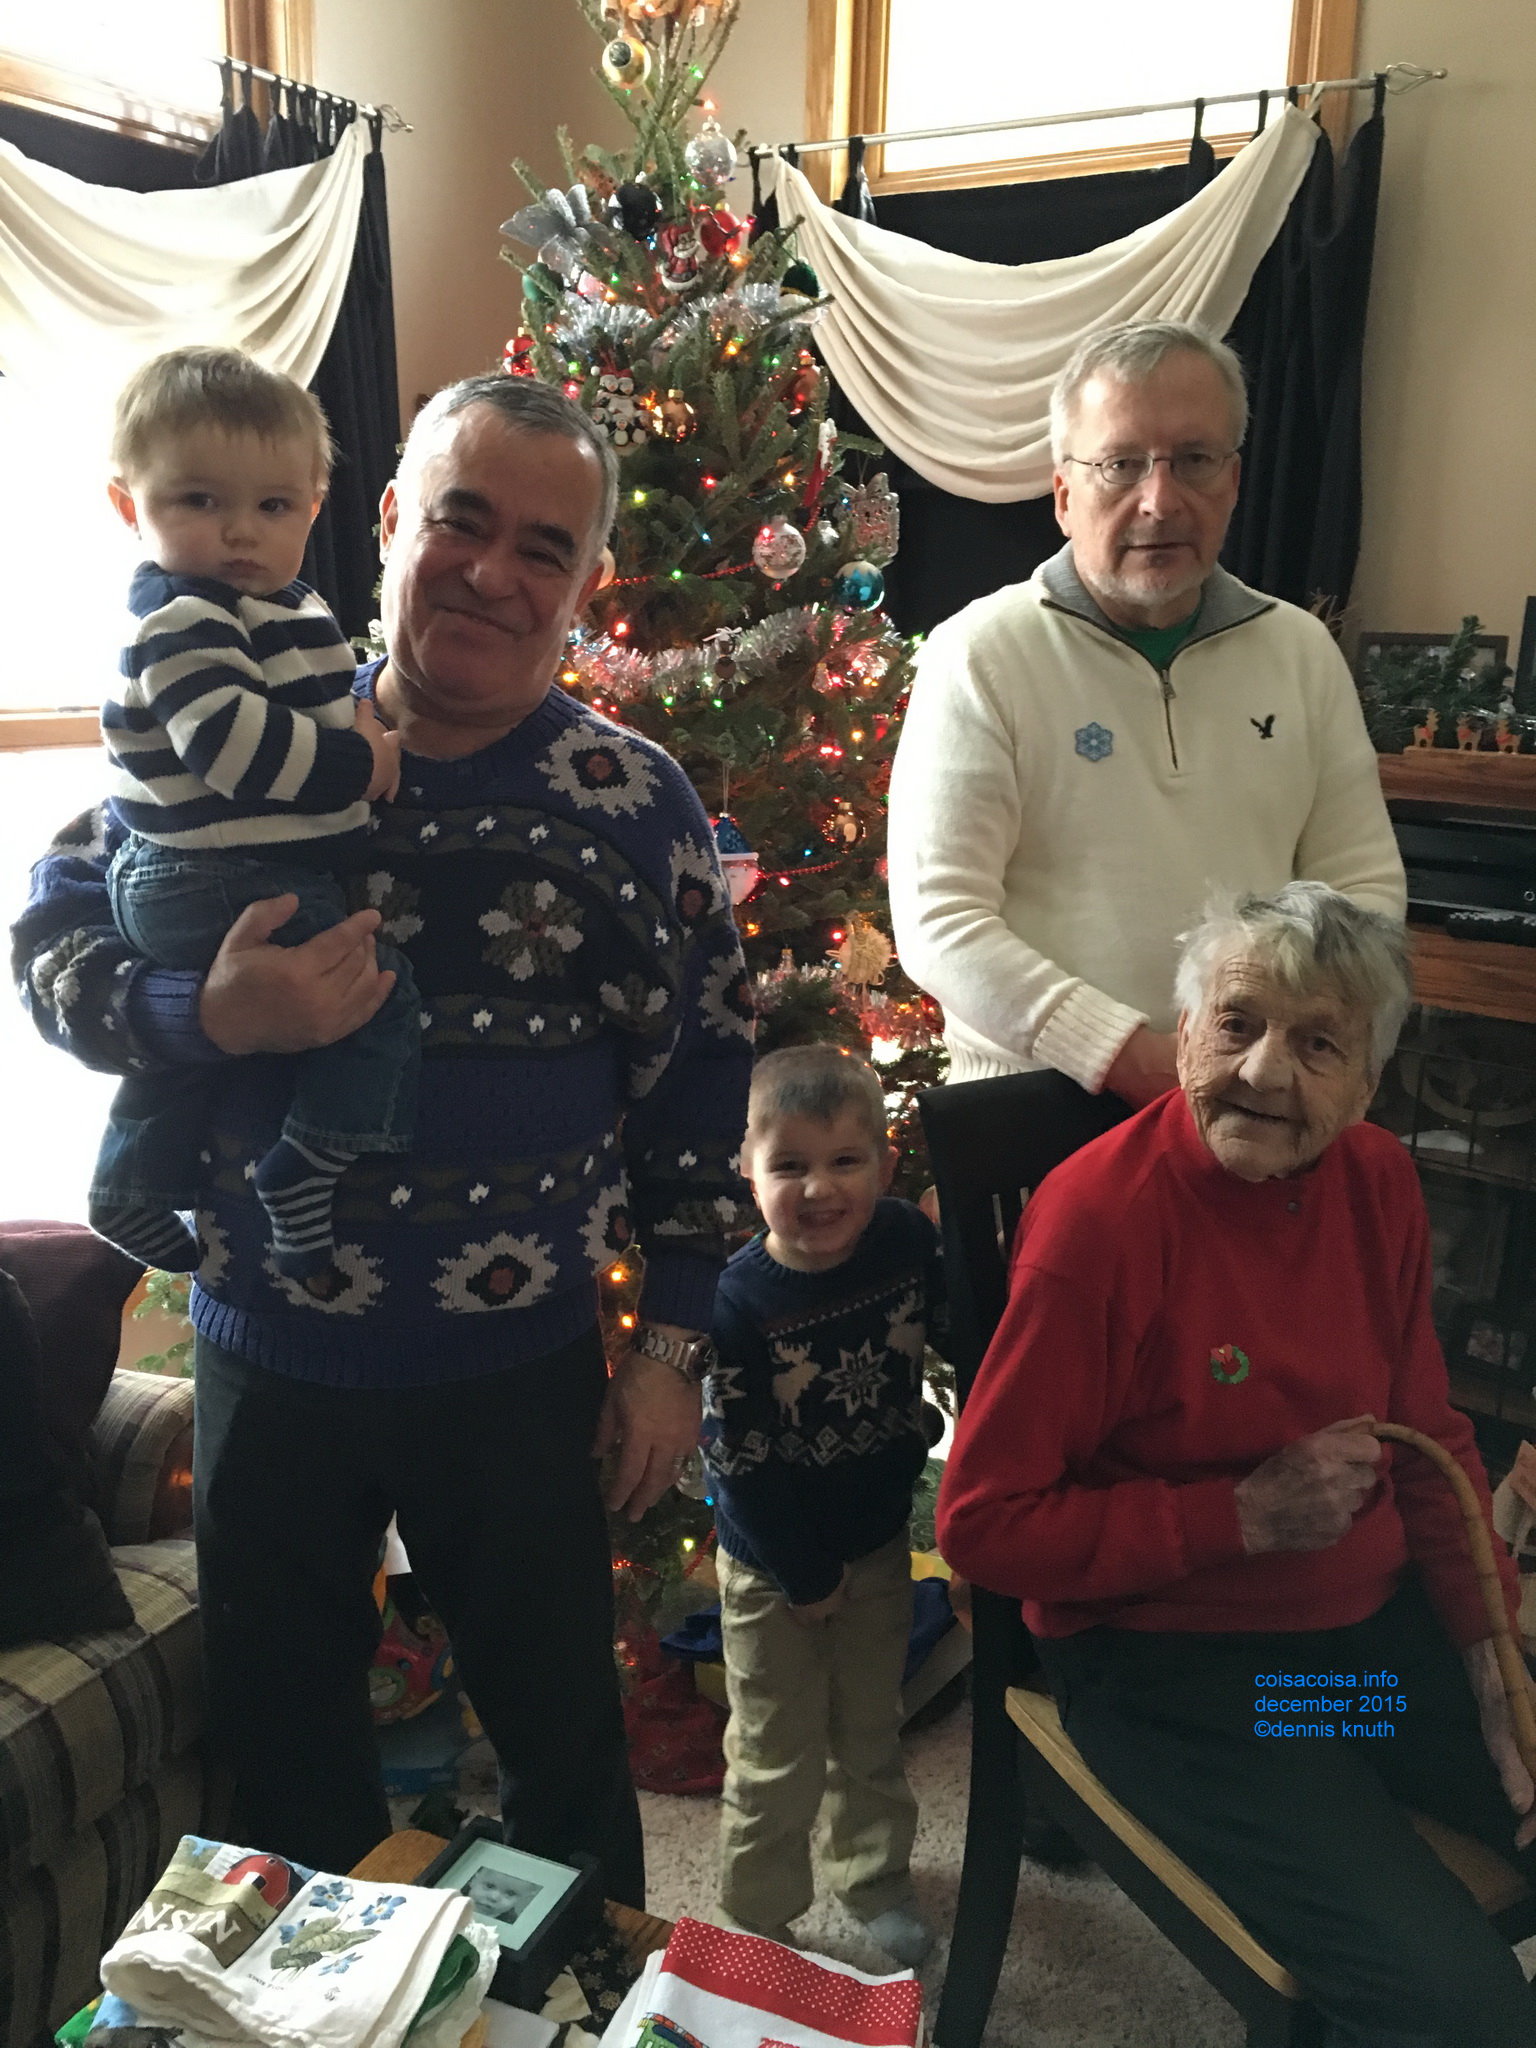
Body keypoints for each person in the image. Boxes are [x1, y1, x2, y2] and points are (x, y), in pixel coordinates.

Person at [11, 374, 755, 1903]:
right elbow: (50, 944)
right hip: (268, 1356)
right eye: (460, 520)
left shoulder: (632, 801)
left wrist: (674, 1347)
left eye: (542, 548)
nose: (492, 571)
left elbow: (702, 1079)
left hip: (520, 1374)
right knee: (284, 1769)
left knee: (564, 1759)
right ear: (392, 520)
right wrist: (203, 1015)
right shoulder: (239, 727)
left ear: (585, 584)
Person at [938, 882, 1536, 2047]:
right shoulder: (1100, 1224)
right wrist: (1239, 1519)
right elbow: (986, 1521)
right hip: (1189, 1670)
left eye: (1319, 1043)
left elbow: (1430, 1441)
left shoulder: (1379, 1184)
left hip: (1354, 1654)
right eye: (1238, 1023)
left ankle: (1358, 1783)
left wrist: (1490, 1649)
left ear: (1369, 1082)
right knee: (1461, 2008)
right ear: (1185, 1027)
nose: (1267, 1072)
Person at [887, 319, 1406, 1110]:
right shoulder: (977, 656)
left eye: (1194, 461)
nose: (1160, 501)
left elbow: (1362, 888)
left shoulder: (1302, 652)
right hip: (1041, 1114)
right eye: (1121, 464)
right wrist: (1134, 1057)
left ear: (1232, 482)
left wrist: (1296, 1060)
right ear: (1064, 494)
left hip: (1259, 1111)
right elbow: (939, 922)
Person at [90, 346, 416, 1289]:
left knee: (220, 1030)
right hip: (202, 874)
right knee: (378, 989)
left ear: (314, 509)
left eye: (273, 506)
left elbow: (302, 705)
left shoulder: (279, 608)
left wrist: (351, 718)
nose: (239, 531)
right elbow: (237, 750)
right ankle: (305, 1165)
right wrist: (367, 761)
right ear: (129, 507)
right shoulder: (184, 617)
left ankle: (129, 1178)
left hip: (219, 876)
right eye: (198, 501)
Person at [702, 1045, 941, 1968]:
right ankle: (756, 1918)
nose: (819, 1188)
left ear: (883, 1165)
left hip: (877, 1540)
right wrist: (802, 1575)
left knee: (870, 1730)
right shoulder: (738, 1301)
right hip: (773, 1563)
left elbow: (954, 1331)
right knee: (773, 1751)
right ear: (749, 1171)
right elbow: (742, 1461)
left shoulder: (905, 1242)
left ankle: (874, 1881)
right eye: (789, 1165)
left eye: (845, 1161)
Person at [464, 1865, 537, 1929]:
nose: (494, 1897)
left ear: (522, 1899)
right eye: (489, 1886)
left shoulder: (511, 1927)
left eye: (510, 1893)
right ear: (473, 1880)